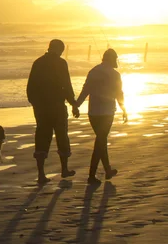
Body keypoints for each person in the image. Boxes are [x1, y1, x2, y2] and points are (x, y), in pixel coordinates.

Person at [27, 39, 80, 185]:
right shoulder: (61, 63)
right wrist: (73, 104)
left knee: (42, 137)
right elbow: (66, 86)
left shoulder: (38, 62)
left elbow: (30, 87)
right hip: (57, 106)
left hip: (42, 108)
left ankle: (41, 174)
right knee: (62, 136)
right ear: (59, 49)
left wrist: (36, 104)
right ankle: (64, 169)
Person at [76, 49, 127, 185]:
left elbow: (85, 90)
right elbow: (119, 93)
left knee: (101, 140)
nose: (117, 61)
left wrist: (77, 105)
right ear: (111, 59)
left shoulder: (93, 71)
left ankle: (108, 170)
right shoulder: (115, 74)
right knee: (100, 142)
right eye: (115, 58)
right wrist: (124, 109)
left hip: (93, 113)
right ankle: (91, 176)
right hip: (107, 113)